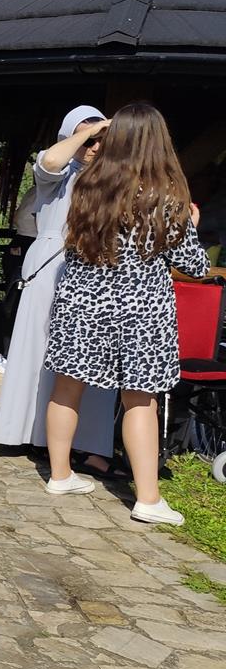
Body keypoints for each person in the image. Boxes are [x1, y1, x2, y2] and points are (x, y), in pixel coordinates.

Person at [43, 102, 209, 524]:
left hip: (82, 303)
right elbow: (194, 265)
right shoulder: (166, 196)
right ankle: (147, 499)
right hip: (142, 311)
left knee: (67, 389)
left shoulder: (88, 184)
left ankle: (60, 475)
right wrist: (191, 226)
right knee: (140, 400)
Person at [0, 109, 119, 471]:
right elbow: (49, 161)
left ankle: (85, 442)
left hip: (96, 271)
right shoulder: (57, 175)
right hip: (51, 266)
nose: (94, 147)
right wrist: (91, 130)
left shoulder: (112, 177)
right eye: (87, 140)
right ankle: (31, 433)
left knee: (90, 358)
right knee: (40, 350)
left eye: (100, 141)